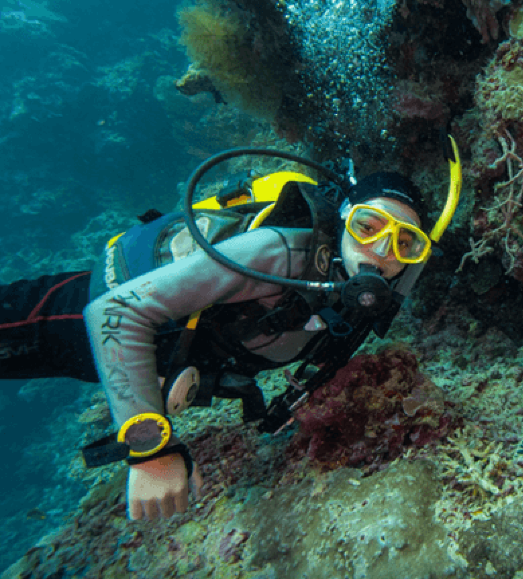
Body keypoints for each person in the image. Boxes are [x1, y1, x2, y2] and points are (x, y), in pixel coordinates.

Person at [0, 143, 462, 521]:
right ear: (343, 217)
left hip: (158, 358)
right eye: (367, 225)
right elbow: (113, 312)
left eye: (406, 241)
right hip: (74, 316)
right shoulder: (276, 255)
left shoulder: (366, 294)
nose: (381, 250)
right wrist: (149, 450)